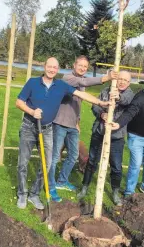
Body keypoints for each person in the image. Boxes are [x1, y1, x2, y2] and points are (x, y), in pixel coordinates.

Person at [16, 57, 109, 210]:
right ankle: (22, 194)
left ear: (57, 69)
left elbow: (81, 94)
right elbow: (19, 102)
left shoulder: (61, 85)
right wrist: (32, 111)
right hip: (28, 127)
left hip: (46, 129)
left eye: (55, 67)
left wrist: (100, 103)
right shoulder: (32, 82)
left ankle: (34, 194)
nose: (52, 69)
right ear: (44, 66)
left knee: (47, 163)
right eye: (49, 66)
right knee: (23, 163)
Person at [48, 55, 118, 201]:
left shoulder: (82, 82)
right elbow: (83, 81)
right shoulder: (67, 78)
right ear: (74, 65)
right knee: (55, 156)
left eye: (85, 67)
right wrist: (105, 78)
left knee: (73, 155)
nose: (82, 68)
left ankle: (62, 181)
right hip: (60, 123)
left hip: (73, 125)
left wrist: (78, 123)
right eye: (80, 66)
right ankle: (50, 185)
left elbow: (78, 103)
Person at [78, 70, 134, 206]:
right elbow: (94, 106)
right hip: (99, 132)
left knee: (116, 166)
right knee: (92, 162)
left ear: (129, 83)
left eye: (125, 80)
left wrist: (118, 97)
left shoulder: (130, 94)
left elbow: (127, 102)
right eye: (120, 79)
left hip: (117, 136)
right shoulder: (105, 91)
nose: (121, 82)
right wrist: (102, 114)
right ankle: (84, 187)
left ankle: (115, 192)